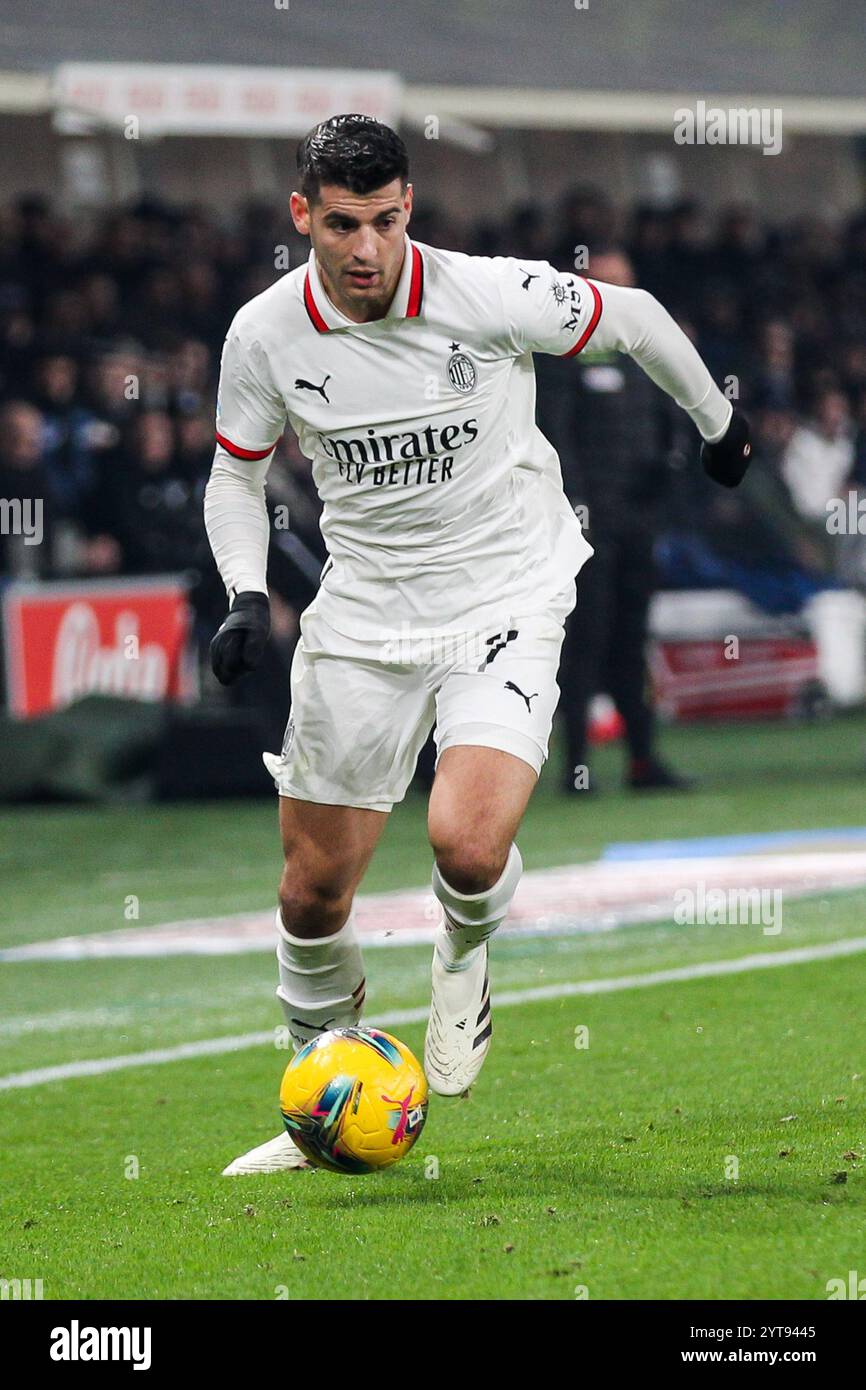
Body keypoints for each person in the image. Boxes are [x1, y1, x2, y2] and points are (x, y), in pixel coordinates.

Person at [203, 114, 751, 1174]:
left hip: (503, 591)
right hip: (363, 616)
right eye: (342, 224)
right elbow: (235, 471)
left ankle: (463, 951)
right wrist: (242, 591)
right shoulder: (263, 334)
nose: (365, 249)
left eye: (386, 221)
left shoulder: (486, 295)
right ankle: (323, 1106)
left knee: (463, 841)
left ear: (411, 207)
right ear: (301, 216)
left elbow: (631, 318)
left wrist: (715, 425)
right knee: (310, 893)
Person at [547, 248, 694, 792]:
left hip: (638, 522)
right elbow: (557, 439)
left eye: (625, 287)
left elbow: (670, 428)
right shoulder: (566, 355)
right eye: (609, 286)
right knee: (585, 643)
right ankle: (577, 767)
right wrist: (577, 512)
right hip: (589, 528)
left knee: (632, 642)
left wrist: (670, 469)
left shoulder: (644, 357)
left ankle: (641, 760)